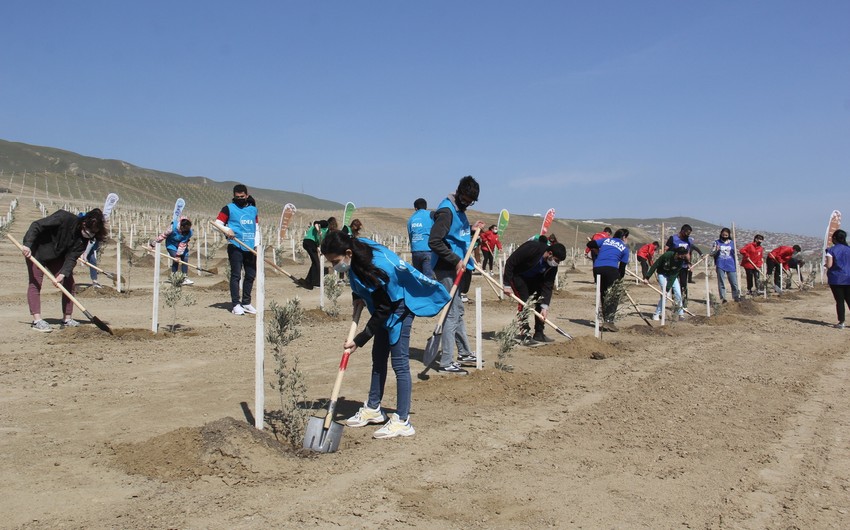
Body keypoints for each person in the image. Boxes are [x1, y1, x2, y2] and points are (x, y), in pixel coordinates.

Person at [321, 231, 450, 438]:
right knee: (378, 357)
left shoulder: (378, 267)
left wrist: (359, 340)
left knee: (399, 363)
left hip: (400, 305)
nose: (335, 266)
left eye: (335, 261)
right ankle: (374, 409)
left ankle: (402, 420)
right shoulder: (356, 250)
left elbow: (384, 309)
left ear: (347, 253)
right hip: (384, 305)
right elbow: (362, 282)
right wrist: (358, 295)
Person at [428, 175, 484, 374]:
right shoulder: (447, 211)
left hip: (456, 267)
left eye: (471, 200)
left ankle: (464, 352)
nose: (468, 202)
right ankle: (445, 362)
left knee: (458, 311)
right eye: (466, 198)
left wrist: (471, 229)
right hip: (446, 268)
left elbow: (455, 233)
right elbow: (434, 241)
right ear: (459, 192)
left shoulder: (459, 211)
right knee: (451, 315)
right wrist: (455, 260)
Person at [20, 208, 107, 332]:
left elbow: (72, 258)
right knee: (35, 282)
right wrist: (27, 244)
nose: (89, 235)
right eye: (88, 231)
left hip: (56, 255)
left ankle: (67, 319)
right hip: (36, 251)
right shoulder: (63, 217)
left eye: (93, 233)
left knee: (69, 282)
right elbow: (37, 225)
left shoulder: (84, 240)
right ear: (83, 223)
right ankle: (37, 320)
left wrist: (62, 274)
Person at [503, 239, 566, 343]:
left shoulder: (552, 267)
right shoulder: (532, 248)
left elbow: (548, 286)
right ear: (550, 253)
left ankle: (539, 333)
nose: (557, 263)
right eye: (556, 260)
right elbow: (510, 262)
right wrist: (506, 284)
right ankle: (525, 334)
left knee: (540, 302)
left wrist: (545, 307)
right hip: (518, 276)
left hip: (535, 279)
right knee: (524, 301)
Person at [215, 184, 259, 315]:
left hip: (250, 246)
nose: (240, 198)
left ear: (246, 195)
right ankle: (235, 304)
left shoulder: (253, 210)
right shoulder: (228, 208)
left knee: (250, 275)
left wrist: (257, 244)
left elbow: (256, 228)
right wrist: (227, 230)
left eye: (242, 196)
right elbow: (216, 225)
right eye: (237, 197)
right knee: (236, 275)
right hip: (236, 246)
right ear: (234, 196)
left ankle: (246, 302)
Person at [586, 229, 630, 332]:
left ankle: (606, 320)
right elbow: (622, 269)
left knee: (603, 294)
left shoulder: (606, 240)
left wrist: (598, 250)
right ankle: (609, 322)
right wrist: (619, 281)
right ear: (624, 237)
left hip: (597, 268)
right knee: (614, 295)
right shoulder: (624, 248)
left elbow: (590, 243)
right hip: (611, 269)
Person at [643, 247, 689, 321]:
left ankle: (680, 314)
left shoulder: (681, 262)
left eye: (684, 256)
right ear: (677, 253)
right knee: (665, 295)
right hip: (662, 274)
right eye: (682, 255)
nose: (683, 257)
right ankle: (656, 314)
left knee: (678, 293)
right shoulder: (667, 255)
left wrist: (667, 288)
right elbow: (655, 265)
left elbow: (673, 276)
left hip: (672, 276)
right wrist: (647, 277)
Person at [152, 217, 194, 285]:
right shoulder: (172, 228)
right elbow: (163, 236)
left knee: (185, 259)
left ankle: (184, 278)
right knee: (175, 259)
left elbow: (182, 244)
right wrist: (152, 244)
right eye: (184, 229)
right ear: (181, 226)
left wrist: (179, 255)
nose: (185, 231)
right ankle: (173, 277)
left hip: (182, 246)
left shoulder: (189, 232)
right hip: (171, 245)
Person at [665, 225, 695, 308]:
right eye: (686, 233)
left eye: (689, 234)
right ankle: (676, 303)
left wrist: (689, 263)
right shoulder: (673, 238)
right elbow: (666, 249)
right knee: (674, 284)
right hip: (674, 265)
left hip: (683, 266)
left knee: (683, 284)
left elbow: (688, 253)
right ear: (682, 231)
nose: (687, 235)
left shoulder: (688, 240)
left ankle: (684, 302)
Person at [825, 229, 850, 329]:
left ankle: (841, 322)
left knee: (839, 301)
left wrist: (826, 265)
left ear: (834, 238)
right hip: (849, 277)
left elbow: (829, 265)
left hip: (836, 278)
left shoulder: (831, 250)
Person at [710, 228, 740, 302]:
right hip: (720, 264)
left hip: (731, 265)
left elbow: (737, 252)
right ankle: (723, 298)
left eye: (726, 235)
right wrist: (716, 250)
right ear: (721, 234)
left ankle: (736, 296)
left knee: (734, 282)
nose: (725, 236)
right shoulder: (716, 242)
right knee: (721, 282)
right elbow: (711, 254)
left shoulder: (732, 243)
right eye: (723, 235)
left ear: (729, 235)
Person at [407, 198, 434, 279]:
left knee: (418, 277)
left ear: (415, 208)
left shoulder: (411, 219)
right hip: (428, 250)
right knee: (428, 278)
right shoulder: (431, 216)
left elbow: (410, 235)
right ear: (426, 206)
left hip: (416, 251)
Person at [301, 218, 330, 289]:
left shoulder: (326, 231)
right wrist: (318, 229)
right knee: (317, 263)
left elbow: (319, 241)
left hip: (310, 243)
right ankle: (316, 283)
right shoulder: (324, 225)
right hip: (309, 242)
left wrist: (318, 247)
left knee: (315, 262)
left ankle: (308, 280)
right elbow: (316, 222)